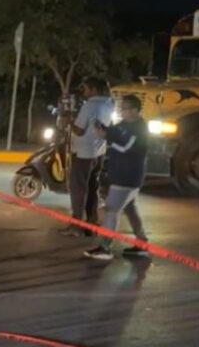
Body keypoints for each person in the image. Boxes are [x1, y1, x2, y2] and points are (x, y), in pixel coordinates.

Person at [85, 94, 149, 260]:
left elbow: (126, 147)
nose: (122, 112)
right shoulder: (124, 124)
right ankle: (142, 243)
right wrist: (102, 130)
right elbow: (113, 132)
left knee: (112, 210)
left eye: (125, 108)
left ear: (135, 110)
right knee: (130, 209)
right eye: (121, 108)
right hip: (124, 175)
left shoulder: (139, 129)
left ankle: (105, 248)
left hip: (127, 176)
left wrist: (106, 138)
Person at [63, 77, 115, 237]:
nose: (84, 93)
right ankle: (92, 221)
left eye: (85, 89)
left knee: (78, 189)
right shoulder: (109, 104)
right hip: (98, 151)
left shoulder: (90, 105)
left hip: (83, 153)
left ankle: (76, 226)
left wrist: (68, 121)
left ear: (93, 89)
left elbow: (79, 130)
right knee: (93, 187)